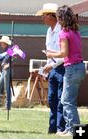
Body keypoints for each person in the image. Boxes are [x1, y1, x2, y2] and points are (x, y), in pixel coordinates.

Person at [45, 5, 86, 136]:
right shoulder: (75, 32)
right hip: (79, 67)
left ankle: (76, 132)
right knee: (66, 100)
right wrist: (54, 52)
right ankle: (69, 129)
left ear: (60, 18)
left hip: (72, 68)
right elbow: (70, 51)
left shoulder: (63, 33)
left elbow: (64, 53)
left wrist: (51, 55)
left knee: (68, 102)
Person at [36, 3, 65, 134]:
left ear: (52, 16)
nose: (43, 18)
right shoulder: (49, 31)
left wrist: (51, 64)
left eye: (44, 15)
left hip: (63, 68)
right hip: (53, 69)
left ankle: (61, 128)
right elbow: (49, 52)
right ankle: (52, 129)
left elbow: (64, 54)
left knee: (61, 100)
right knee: (51, 99)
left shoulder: (63, 31)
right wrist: (47, 68)